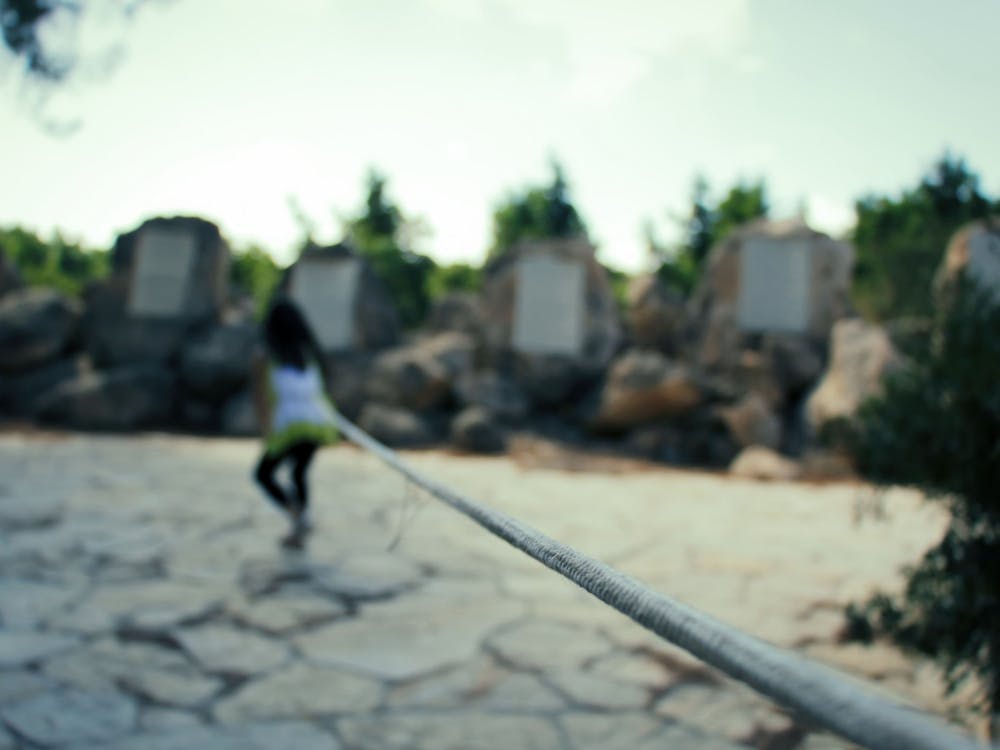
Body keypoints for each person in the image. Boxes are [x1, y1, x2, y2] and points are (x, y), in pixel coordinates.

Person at [251, 298, 338, 549]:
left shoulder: (265, 354)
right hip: (317, 421)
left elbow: (261, 397)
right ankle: (300, 519)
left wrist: (266, 429)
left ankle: (296, 516)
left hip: (288, 424)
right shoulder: (308, 352)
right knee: (299, 472)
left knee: (264, 474)